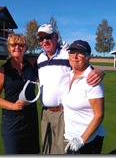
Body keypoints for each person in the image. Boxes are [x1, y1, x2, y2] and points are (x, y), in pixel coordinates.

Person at [37, 24, 105, 154]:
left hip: (62, 112)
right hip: (45, 113)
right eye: (41, 39)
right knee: (46, 148)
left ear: (56, 37)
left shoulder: (66, 54)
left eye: (48, 37)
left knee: (62, 150)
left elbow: (84, 65)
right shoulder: (40, 58)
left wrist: (100, 72)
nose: (44, 41)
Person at [0, 34, 40, 154]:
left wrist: (93, 71)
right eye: (13, 45)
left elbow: (53, 63)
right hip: (12, 122)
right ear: (9, 47)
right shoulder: (3, 70)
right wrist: (13, 106)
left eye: (20, 45)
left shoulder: (32, 64)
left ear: (25, 47)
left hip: (31, 119)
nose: (17, 47)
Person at [62, 40, 106, 154]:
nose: (74, 56)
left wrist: (82, 139)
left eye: (80, 53)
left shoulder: (92, 80)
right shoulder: (69, 74)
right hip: (71, 137)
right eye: (72, 52)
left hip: (87, 140)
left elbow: (99, 115)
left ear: (87, 57)